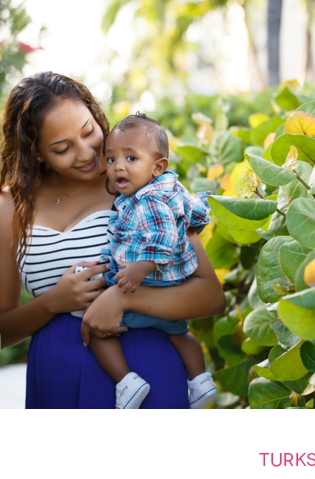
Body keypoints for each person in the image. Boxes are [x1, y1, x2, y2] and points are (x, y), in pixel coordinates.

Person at [0, 71, 226, 409]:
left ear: (96, 115)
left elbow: (210, 296)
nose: (86, 153)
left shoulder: (136, 182)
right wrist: (52, 303)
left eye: (88, 132)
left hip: (146, 366)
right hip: (56, 374)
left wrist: (124, 299)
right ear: (37, 153)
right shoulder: (11, 206)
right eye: (62, 148)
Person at [86, 113, 217, 409]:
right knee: (182, 335)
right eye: (110, 159)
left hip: (145, 285)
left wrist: (137, 271)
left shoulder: (148, 200)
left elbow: (165, 237)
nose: (118, 166)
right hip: (170, 296)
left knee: (94, 331)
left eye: (131, 158)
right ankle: (200, 381)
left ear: (158, 167)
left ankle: (127, 383)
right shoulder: (168, 191)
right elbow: (193, 213)